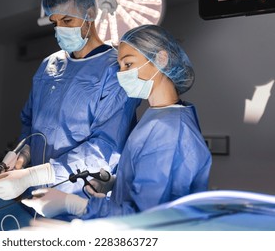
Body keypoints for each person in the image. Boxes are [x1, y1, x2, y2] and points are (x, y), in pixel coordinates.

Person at [20, 24, 212, 219]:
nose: (121, 75)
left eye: (128, 64)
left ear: (161, 59)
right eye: (119, 66)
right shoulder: (158, 116)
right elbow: (152, 177)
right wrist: (116, 182)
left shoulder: (169, 130)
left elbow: (145, 219)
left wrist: (74, 205)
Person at [0, 0, 140, 199]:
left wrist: (34, 175)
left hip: (80, 199)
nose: (60, 29)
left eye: (67, 20)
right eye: (55, 22)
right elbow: (29, 120)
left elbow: (105, 147)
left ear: (91, 14)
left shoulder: (116, 70)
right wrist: (24, 154)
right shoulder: (49, 65)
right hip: (36, 197)